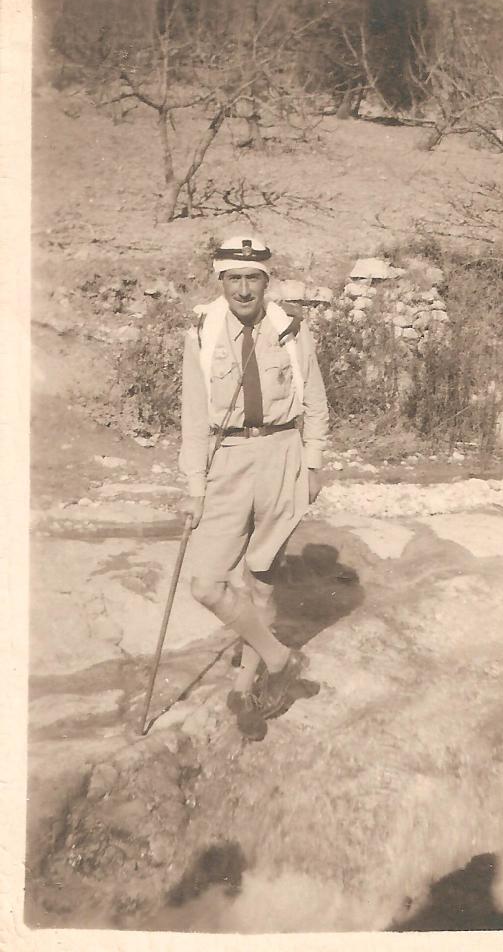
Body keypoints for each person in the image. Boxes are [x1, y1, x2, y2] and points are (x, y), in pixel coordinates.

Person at [179, 230, 329, 741]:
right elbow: (193, 418)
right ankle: (278, 657)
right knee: (206, 584)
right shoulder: (202, 334)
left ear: (267, 281)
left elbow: (316, 404)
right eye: (234, 278)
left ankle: (245, 688)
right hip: (225, 459)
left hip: (282, 455)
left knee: (262, 579)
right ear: (220, 280)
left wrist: (313, 465)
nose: (243, 289)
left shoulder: (291, 330)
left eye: (253, 278)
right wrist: (194, 485)